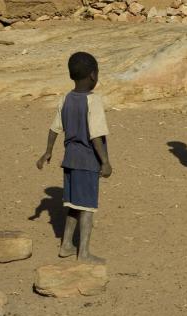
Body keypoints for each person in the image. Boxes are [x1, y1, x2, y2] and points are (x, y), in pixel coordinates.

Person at [36, 51, 111, 264]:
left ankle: (66, 245)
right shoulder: (93, 101)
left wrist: (48, 152)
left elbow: (54, 128)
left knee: (73, 204)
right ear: (93, 75)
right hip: (87, 161)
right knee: (87, 208)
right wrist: (105, 162)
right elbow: (96, 135)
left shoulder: (66, 98)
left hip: (69, 159)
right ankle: (84, 252)